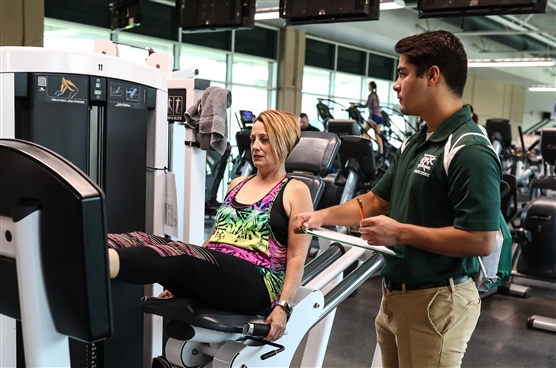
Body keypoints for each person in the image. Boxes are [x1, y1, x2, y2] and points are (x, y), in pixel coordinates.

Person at [294, 30, 503, 367]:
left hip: (438, 300)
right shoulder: (416, 142)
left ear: (432, 75)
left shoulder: (468, 149)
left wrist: (400, 233)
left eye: (403, 73)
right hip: (396, 295)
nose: (395, 84)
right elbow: (376, 201)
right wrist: (321, 216)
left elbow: (480, 240)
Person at [108, 109, 313, 342]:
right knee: (146, 239)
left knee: (182, 253)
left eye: (264, 139)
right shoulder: (237, 184)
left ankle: (99, 265)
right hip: (221, 276)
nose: (255, 146)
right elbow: (216, 238)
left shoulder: (295, 190)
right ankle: (89, 247)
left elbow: (297, 257)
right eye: (253, 139)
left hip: (260, 286)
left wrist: (283, 307)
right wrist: (188, 276)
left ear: (283, 142)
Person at [353, 81, 384, 154]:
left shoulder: (371, 95)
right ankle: (381, 151)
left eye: (369, 86)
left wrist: (356, 105)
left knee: (364, 131)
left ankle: (366, 149)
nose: (368, 87)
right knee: (377, 134)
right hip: (380, 117)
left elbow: (366, 105)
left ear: (371, 87)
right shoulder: (376, 95)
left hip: (374, 116)